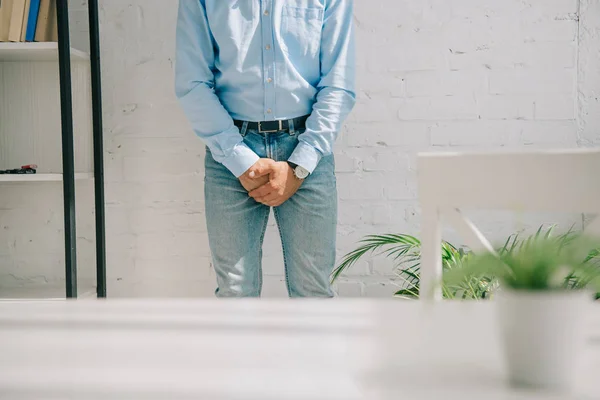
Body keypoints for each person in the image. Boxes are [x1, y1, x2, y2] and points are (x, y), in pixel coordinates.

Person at [175, 0, 356, 298]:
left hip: (307, 144)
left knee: (313, 292)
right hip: (230, 146)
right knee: (235, 292)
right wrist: (240, 160)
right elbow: (192, 82)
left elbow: (339, 83)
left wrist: (299, 166)